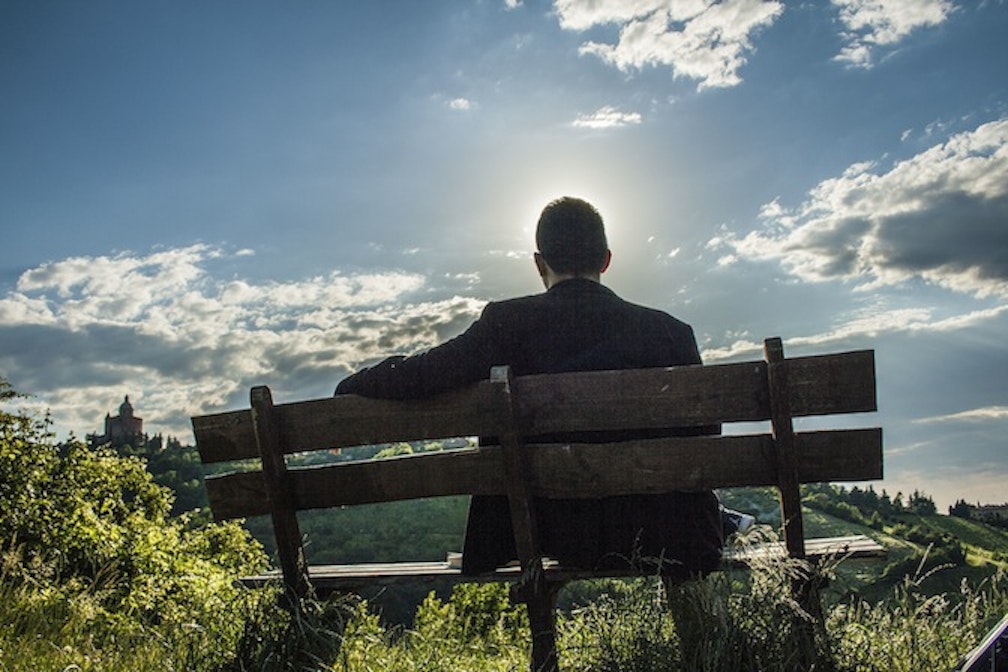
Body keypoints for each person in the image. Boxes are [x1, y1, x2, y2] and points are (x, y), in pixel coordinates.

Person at [335, 197, 734, 579]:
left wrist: (353, 385)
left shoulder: (506, 324)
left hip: (543, 533)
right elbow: (705, 438)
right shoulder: (671, 334)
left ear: (539, 263)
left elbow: (423, 375)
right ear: (607, 259)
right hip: (663, 533)